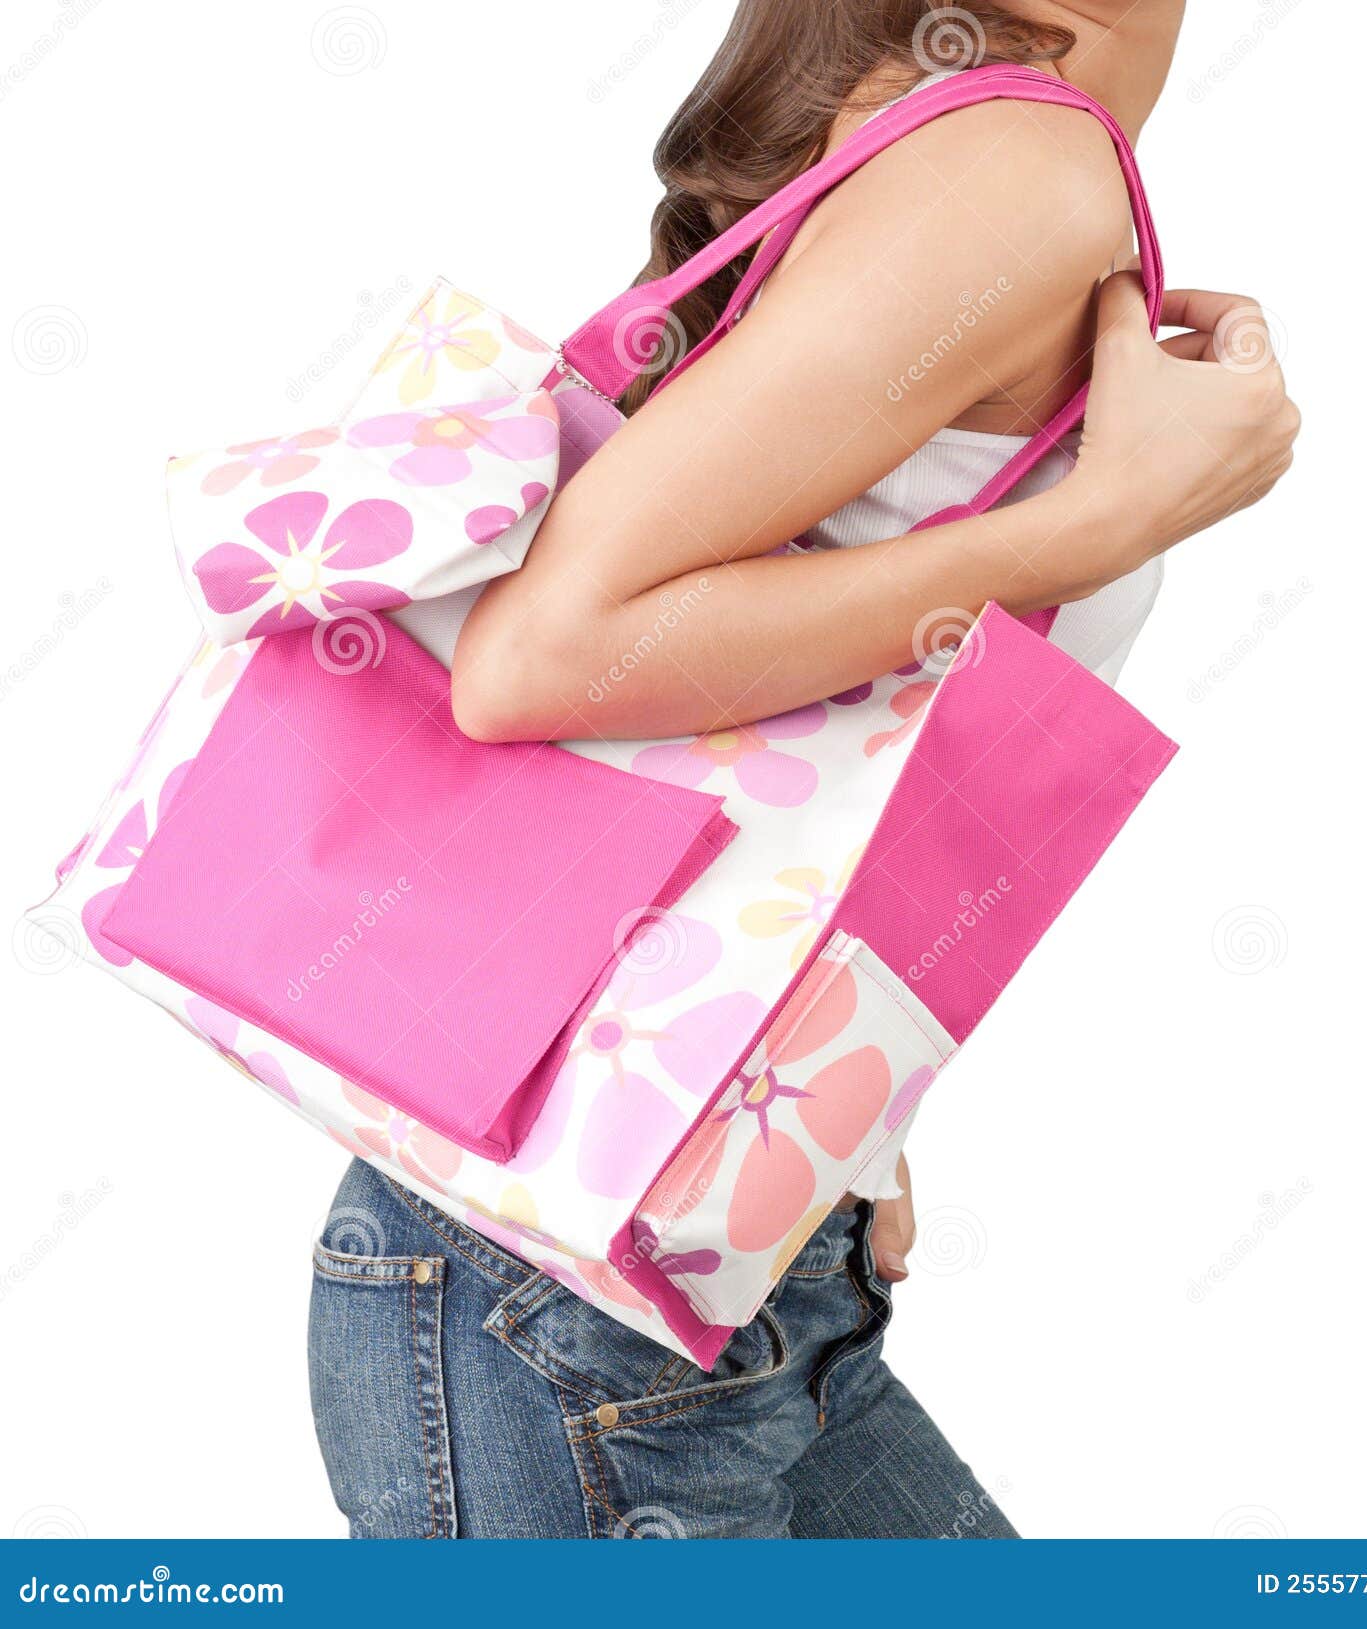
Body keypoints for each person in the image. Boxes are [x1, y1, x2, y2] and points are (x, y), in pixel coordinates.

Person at [311, 0, 1299, 1538]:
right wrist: (1095, 526)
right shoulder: (1021, 167)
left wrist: (855, 1110)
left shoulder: (936, 125)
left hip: (715, 1272)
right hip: (573, 1316)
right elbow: (540, 658)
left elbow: (809, 693)